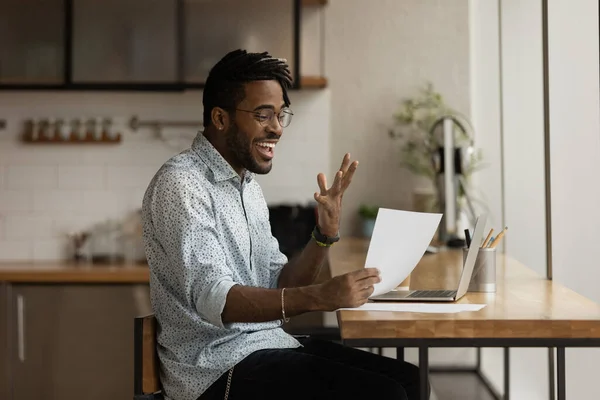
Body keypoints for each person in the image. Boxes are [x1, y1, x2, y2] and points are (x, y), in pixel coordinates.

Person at [141, 49, 426, 400]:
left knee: (410, 380)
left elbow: (281, 283)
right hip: (213, 370)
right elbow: (217, 300)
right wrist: (322, 296)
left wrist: (323, 235)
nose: (276, 128)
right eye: (263, 115)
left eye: (280, 115)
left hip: (265, 346)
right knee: (385, 394)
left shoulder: (247, 188)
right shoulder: (181, 183)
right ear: (219, 118)